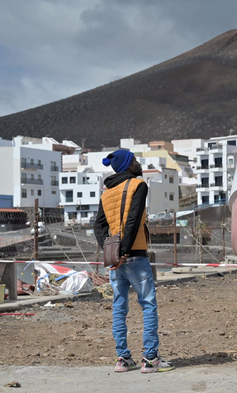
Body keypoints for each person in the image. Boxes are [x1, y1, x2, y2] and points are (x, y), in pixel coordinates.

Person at [94, 149, 173, 373]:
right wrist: (125, 251)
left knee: (119, 307)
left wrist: (110, 251)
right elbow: (133, 220)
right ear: (128, 165)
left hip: (115, 260)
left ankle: (123, 359)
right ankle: (150, 359)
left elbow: (98, 226)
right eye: (135, 161)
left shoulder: (106, 193)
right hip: (135, 255)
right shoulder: (138, 186)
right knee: (148, 305)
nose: (139, 164)